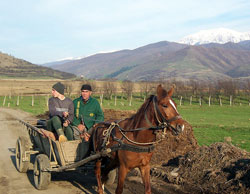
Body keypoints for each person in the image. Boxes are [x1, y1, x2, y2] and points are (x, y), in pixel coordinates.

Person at [71, 84, 104, 157]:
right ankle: (78, 155)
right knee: (75, 133)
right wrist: (77, 124)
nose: (84, 94)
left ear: (90, 93)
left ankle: (93, 153)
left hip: (91, 127)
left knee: (97, 135)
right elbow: (71, 116)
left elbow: (100, 115)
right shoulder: (76, 102)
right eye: (83, 91)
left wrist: (96, 124)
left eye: (86, 91)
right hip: (79, 127)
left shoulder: (95, 102)